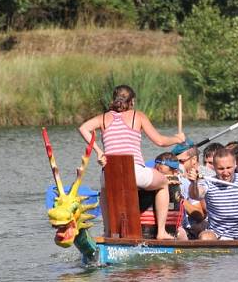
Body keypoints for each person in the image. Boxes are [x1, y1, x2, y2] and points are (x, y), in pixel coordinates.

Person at [78, 84, 185, 240]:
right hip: (134, 173)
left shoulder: (103, 118)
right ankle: (161, 232)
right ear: (132, 102)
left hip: (109, 174)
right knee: (163, 183)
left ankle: (108, 232)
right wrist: (178, 139)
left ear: (114, 99)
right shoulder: (138, 116)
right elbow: (160, 141)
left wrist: (99, 151)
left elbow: (83, 128)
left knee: (104, 190)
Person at [171, 141, 208, 239]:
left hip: (196, 227)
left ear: (194, 159)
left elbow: (200, 215)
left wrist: (179, 200)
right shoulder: (178, 177)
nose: (177, 165)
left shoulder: (204, 178)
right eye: (175, 162)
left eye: (181, 161)